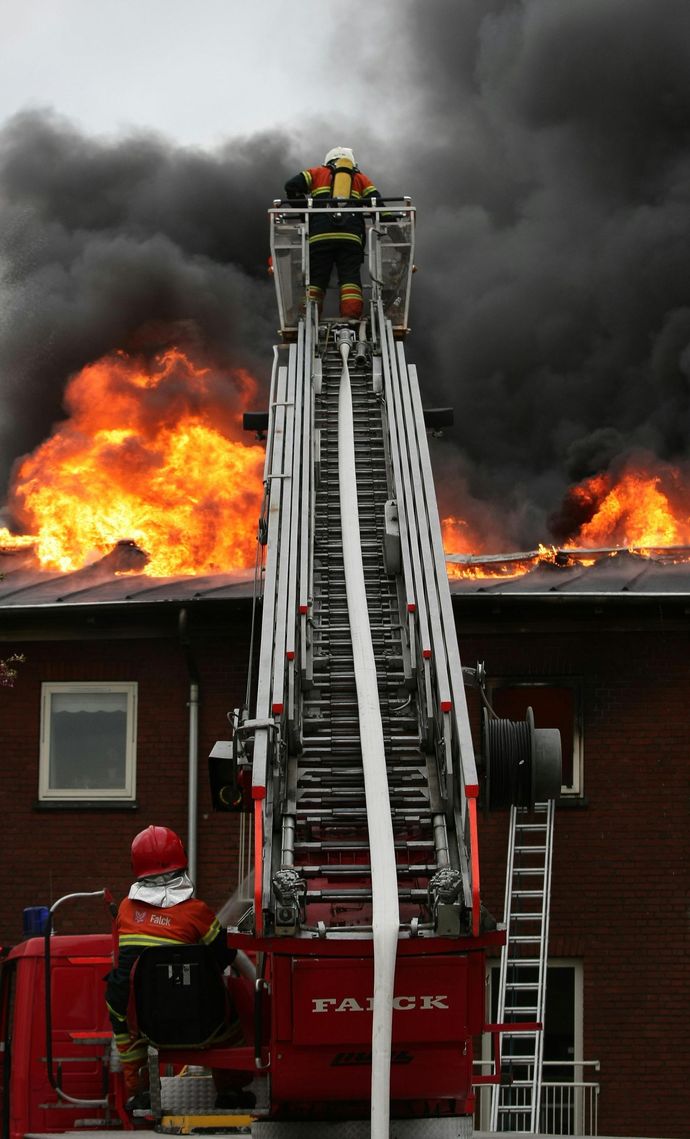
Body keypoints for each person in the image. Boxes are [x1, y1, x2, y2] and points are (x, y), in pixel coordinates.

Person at [105, 825, 252, 1111]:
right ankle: (230, 1090)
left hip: (145, 1022)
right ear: (181, 862)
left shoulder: (124, 909)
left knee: (118, 1009)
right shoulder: (196, 911)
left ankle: (140, 1088)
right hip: (201, 1021)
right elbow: (224, 955)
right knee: (234, 1021)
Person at [284, 146, 382, 319]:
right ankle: (351, 317)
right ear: (353, 162)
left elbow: (291, 185)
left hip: (319, 237)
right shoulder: (360, 178)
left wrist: (303, 212)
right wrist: (396, 229)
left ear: (327, 161)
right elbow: (378, 205)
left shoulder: (315, 173)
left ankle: (309, 315)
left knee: (316, 279)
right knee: (350, 278)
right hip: (350, 238)